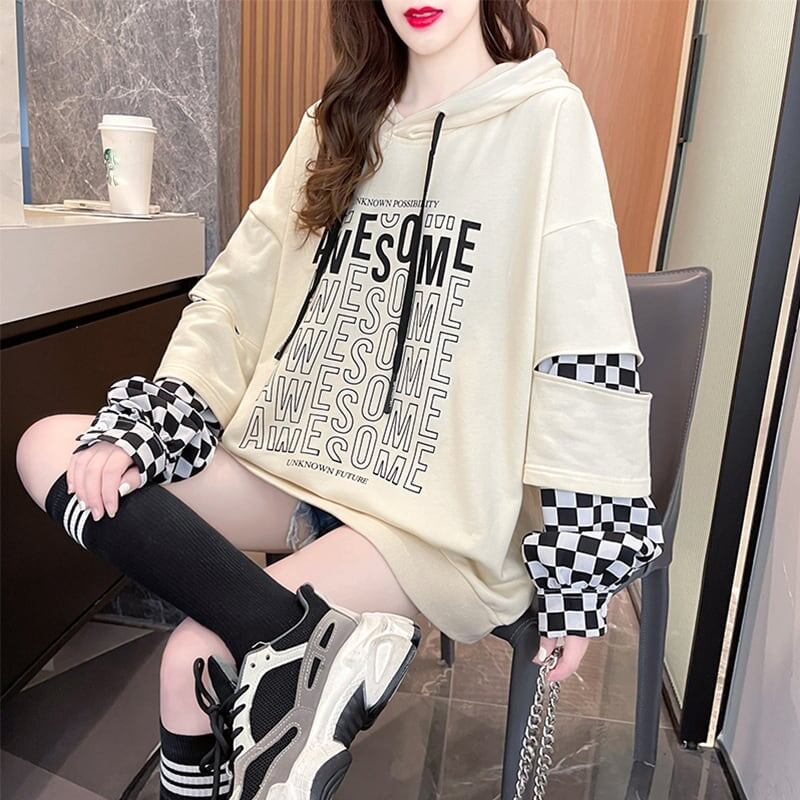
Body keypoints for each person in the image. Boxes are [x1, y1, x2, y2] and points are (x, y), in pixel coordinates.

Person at [15, 1, 664, 798]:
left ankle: (296, 655)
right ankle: (304, 647)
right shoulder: (338, 123)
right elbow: (234, 296)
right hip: (295, 468)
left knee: (192, 659)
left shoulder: (545, 118)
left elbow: (584, 350)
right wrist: (155, 421)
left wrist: (581, 569)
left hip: (431, 517)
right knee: (50, 447)